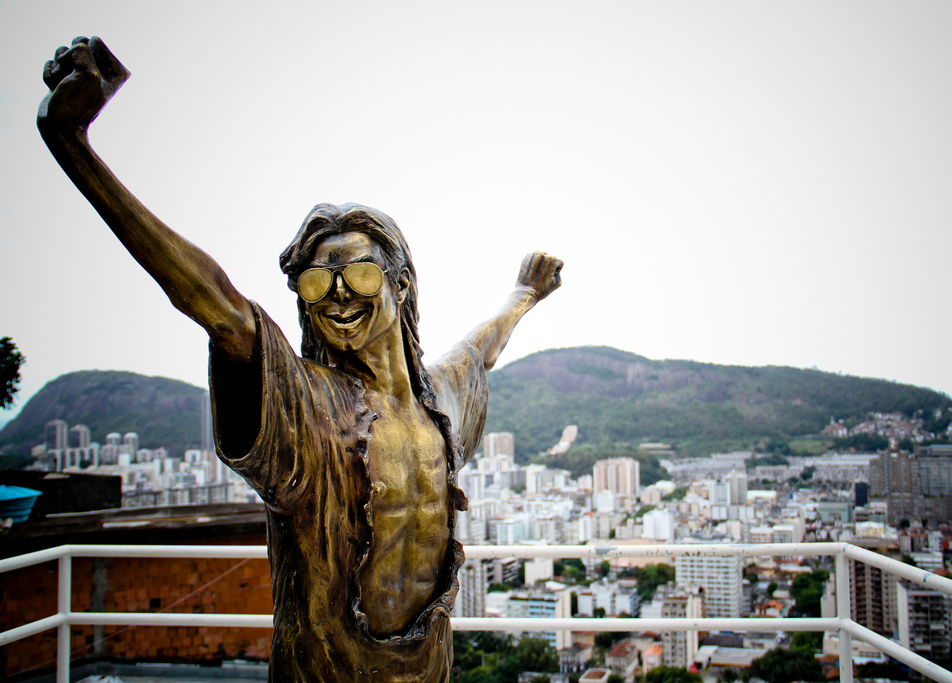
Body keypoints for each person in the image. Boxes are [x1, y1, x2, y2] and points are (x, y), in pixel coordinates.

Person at [38, 37, 563, 683]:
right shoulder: (306, 404)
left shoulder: (441, 399)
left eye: (361, 274)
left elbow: (481, 347)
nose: (338, 293)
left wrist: (524, 295)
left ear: (402, 284)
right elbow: (216, 305)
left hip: (431, 666)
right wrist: (71, 144)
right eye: (317, 282)